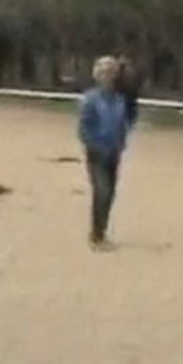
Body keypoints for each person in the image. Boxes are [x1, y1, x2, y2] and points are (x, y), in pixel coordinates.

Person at [77, 55, 138, 250]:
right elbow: (84, 128)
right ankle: (96, 236)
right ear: (97, 75)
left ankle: (100, 232)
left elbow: (128, 119)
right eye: (103, 72)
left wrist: (122, 139)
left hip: (114, 151)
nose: (107, 76)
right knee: (102, 191)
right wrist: (94, 145)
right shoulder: (90, 99)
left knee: (109, 193)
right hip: (96, 153)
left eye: (111, 72)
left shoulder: (121, 99)